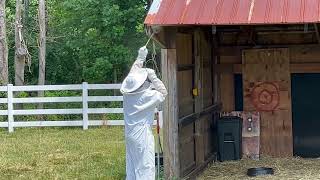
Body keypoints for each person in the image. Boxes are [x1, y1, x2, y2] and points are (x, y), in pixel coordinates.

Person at [120, 46, 167, 180]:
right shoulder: (145, 96)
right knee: (145, 167)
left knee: (132, 165)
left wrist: (140, 58)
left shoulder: (128, 95)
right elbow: (164, 92)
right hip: (142, 135)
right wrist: (153, 77)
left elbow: (132, 76)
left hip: (130, 135)